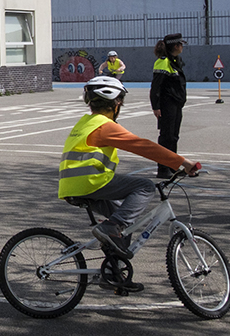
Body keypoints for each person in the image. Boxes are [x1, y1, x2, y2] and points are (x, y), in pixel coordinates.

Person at [61, 76, 198, 273]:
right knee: (145, 187)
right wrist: (183, 162)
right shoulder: (104, 126)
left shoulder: (85, 122)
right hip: (90, 182)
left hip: (72, 185)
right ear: (116, 103)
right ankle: (110, 229)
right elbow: (143, 146)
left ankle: (113, 273)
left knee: (123, 224)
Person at [151, 33, 188, 179]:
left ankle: (172, 165)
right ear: (175, 46)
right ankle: (163, 168)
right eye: (181, 44)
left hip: (176, 104)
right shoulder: (163, 62)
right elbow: (156, 86)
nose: (182, 47)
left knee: (173, 137)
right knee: (166, 137)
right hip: (166, 105)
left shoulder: (176, 61)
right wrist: (156, 106)